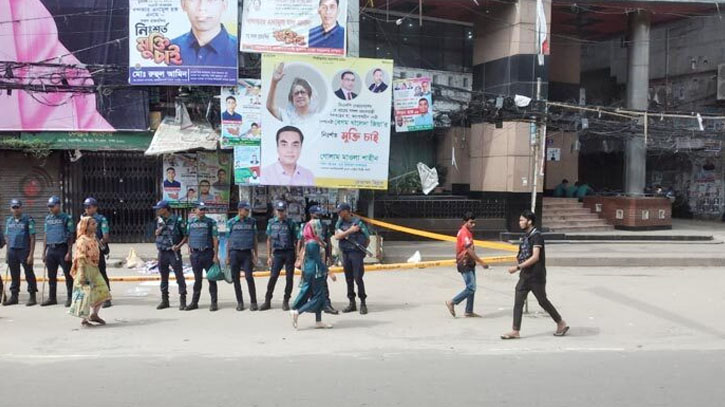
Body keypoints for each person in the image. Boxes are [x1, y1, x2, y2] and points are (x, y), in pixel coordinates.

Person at [501, 210, 569, 340]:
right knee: (518, 302)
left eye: (522, 220)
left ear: (529, 221)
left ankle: (561, 323)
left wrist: (517, 267)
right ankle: (515, 330)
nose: (519, 222)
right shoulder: (526, 236)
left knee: (542, 301)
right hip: (525, 275)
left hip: (536, 276)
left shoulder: (536, 236)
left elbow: (535, 257)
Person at [290, 207, 337, 329]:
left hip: (313, 270)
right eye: (317, 226)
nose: (320, 227)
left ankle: (318, 321)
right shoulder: (312, 243)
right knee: (318, 297)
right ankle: (297, 312)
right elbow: (317, 260)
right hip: (316, 271)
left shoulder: (314, 240)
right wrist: (329, 271)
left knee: (319, 295)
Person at [68, 216, 111, 327]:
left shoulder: (93, 237)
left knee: (103, 290)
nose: (95, 225)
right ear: (86, 226)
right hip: (85, 268)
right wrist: (81, 274)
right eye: (92, 224)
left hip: (94, 268)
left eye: (95, 223)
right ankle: (84, 320)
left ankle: (94, 314)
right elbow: (81, 257)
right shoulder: (82, 240)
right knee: (84, 294)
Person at [445, 212, 489, 318]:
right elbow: (469, 250)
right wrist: (481, 262)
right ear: (465, 222)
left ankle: (469, 311)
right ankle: (452, 302)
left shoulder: (467, 232)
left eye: (474, 222)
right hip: (464, 263)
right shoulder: (464, 233)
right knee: (471, 288)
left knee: (472, 287)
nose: (473, 225)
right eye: (471, 222)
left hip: (469, 262)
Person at [171, 0, 237, 67]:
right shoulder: (168, 49)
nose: (202, 7)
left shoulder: (238, 51)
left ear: (224, 4)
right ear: (183, 4)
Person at [261, 201, 298, 311]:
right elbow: (268, 240)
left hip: (289, 252)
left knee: (289, 278)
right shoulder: (271, 223)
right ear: (275, 211)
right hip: (277, 253)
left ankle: (286, 300)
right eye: (279, 211)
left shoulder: (291, 223)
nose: (280, 213)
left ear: (285, 211)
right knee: (273, 277)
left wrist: (298, 257)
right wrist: (269, 256)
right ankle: (267, 300)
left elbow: (297, 240)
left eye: (282, 211)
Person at [334, 203, 370, 314]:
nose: (338, 213)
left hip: (356, 253)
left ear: (346, 211)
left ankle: (363, 303)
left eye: (340, 211)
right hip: (345, 253)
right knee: (348, 279)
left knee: (358, 278)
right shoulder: (339, 223)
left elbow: (367, 238)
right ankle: (352, 303)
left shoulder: (358, 222)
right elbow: (337, 236)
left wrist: (361, 251)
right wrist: (350, 231)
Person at [153, 200, 187, 311]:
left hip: (173, 252)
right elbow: (156, 233)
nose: (158, 211)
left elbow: (185, 236)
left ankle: (183, 300)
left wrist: (178, 246)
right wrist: (158, 231)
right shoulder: (159, 220)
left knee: (179, 276)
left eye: (159, 209)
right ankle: (165, 300)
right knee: (163, 276)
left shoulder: (178, 220)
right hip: (162, 252)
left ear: (165, 209)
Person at [185, 202, 220, 311]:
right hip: (195, 254)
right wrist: (189, 249)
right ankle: (194, 302)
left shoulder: (210, 222)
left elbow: (215, 239)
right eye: (200, 209)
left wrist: (215, 255)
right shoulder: (190, 222)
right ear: (195, 210)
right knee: (197, 280)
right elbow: (188, 236)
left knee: (211, 278)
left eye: (204, 209)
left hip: (207, 253)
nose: (202, 211)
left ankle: (214, 303)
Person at [3, 199, 37, 306]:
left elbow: (32, 237)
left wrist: (31, 254)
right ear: (10, 209)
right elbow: (8, 238)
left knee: (29, 273)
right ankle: (14, 296)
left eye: (17, 207)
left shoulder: (27, 220)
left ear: (21, 208)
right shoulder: (9, 221)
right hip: (12, 250)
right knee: (14, 274)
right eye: (13, 207)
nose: (15, 210)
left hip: (24, 250)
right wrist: (7, 253)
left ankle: (32, 295)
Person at [42, 196, 75, 307]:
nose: (50, 209)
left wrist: (69, 252)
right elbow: (46, 235)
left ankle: (70, 297)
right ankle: (52, 297)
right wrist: (44, 252)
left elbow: (71, 235)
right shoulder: (48, 219)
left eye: (52, 206)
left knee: (68, 275)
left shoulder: (66, 218)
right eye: (49, 206)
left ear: (58, 205)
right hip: (51, 249)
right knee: (51, 276)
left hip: (62, 248)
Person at [226, 201, 259, 311]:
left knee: (249, 277)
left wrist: (256, 255)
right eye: (246, 210)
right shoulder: (231, 222)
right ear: (239, 210)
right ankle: (240, 302)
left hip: (247, 253)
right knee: (236, 279)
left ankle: (253, 302)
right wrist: (227, 256)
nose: (248, 212)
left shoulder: (252, 222)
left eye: (248, 210)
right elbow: (228, 240)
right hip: (234, 253)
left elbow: (255, 239)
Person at [82, 197, 112, 308]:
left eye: (89, 207)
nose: (86, 209)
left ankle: (107, 297)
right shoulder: (84, 219)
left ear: (95, 207)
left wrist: (97, 243)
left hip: (97, 249)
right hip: (86, 250)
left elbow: (106, 236)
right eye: (85, 207)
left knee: (101, 273)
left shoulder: (101, 219)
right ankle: (93, 297)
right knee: (88, 274)